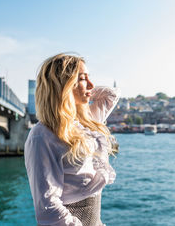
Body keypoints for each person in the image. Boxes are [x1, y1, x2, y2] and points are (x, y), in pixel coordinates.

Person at [24, 53, 120, 226]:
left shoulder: (84, 122)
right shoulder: (42, 135)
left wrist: (84, 88)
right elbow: (48, 208)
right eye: (83, 79)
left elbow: (110, 96)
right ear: (64, 86)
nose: (91, 84)